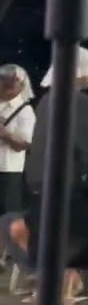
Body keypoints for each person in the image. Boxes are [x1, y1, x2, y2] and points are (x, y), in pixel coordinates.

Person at [20, 47, 88, 305]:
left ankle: (45, 293)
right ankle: (63, 298)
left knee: (50, 237)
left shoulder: (47, 100)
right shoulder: (77, 101)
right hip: (69, 181)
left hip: (42, 180)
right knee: (72, 239)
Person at [0, 64, 35, 216]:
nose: (7, 83)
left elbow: (24, 144)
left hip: (8, 173)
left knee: (6, 219)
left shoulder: (25, 111)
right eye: (3, 79)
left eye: (13, 80)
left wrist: (4, 134)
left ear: (22, 85)